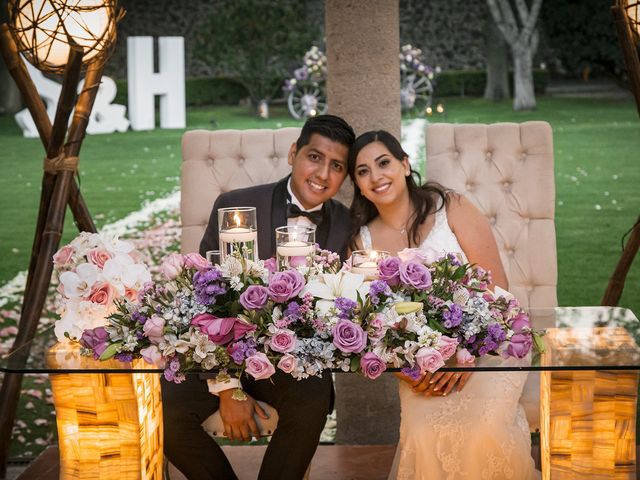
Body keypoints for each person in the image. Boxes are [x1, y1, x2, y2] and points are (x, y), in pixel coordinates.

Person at [162, 114, 355, 480]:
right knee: (165, 410)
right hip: (218, 353)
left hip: (292, 363)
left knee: (311, 401)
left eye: (336, 166)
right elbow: (206, 301)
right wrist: (227, 386)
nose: (323, 174)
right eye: (314, 157)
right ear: (293, 153)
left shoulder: (349, 226)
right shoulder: (234, 207)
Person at [347, 130, 538, 480]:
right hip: (421, 366)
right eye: (362, 171)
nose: (376, 176)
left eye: (384, 163)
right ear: (358, 185)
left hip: (491, 343)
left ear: (405, 165)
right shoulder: (362, 242)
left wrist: (465, 352)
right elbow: (370, 326)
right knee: (423, 434)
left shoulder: (452, 208)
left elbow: (496, 289)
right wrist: (407, 368)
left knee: (484, 434)